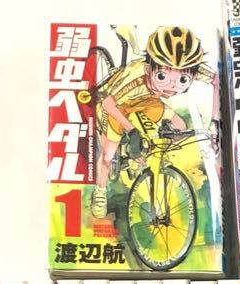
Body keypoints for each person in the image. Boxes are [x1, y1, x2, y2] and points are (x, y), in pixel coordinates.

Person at [91, 26, 217, 219]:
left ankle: (150, 159)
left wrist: (214, 122)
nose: (172, 87)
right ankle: (100, 191)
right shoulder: (135, 78)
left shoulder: (189, 67)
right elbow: (109, 104)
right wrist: (131, 130)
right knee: (108, 156)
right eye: (162, 77)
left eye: (183, 80)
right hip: (118, 105)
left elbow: (217, 80)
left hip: (148, 99)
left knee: (180, 127)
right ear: (148, 69)